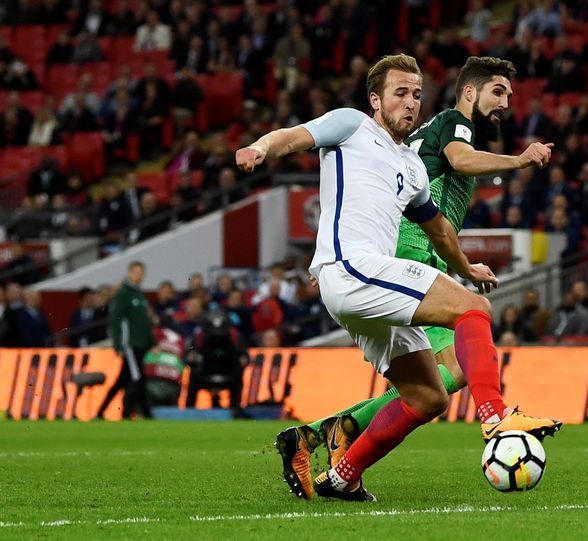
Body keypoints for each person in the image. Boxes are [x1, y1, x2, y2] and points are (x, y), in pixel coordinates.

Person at [236, 54, 559, 502]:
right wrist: (259, 148)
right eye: (400, 93)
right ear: (375, 99)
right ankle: (496, 418)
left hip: (365, 283)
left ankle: (343, 476)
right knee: (474, 310)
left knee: (428, 396)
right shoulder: (352, 126)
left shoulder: (411, 166)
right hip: (352, 266)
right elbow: (292, 137)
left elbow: (439, 229)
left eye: (417, 95)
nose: (411, 103)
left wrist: (465, 268)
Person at [97, 261, 155, 420]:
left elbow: (144, 322)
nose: (139, 276)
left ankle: (100, 411)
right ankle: (136, 413)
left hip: (140, 344)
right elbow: (116, 320)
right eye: (136, 272)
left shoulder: (138, 295)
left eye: (141, 272)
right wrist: (119, 344)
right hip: (130, 345)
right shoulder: (124, 294)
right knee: (138, 379)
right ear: (129, 273)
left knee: (123, 380)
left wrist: (151, 342)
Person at [185, 310, 248, 417]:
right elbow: (189, 356)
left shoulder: (235, 336)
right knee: (192, 376)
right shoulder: (199, 336)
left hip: (228, 373)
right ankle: (189, 411)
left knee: (239, 376)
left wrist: (243, 359)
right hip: (204, 374)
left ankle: (236, 410)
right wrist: (191, 358)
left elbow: (245, 356)